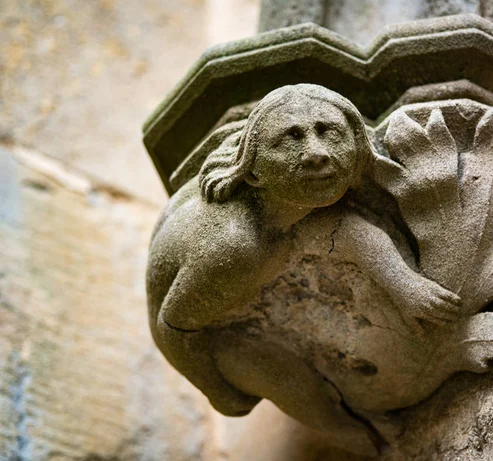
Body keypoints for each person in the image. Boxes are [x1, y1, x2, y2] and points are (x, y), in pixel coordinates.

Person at [146, 84, 460, 455]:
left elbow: (347, 232)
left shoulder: (290, 210)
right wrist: (217, 390)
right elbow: (174, 325)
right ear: (256, 171)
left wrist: (407, 285)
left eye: (329, 132)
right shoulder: (237, 246)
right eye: (289, 140)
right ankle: (343, 430)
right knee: (286, 381)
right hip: (217, 334)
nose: (315, 153)